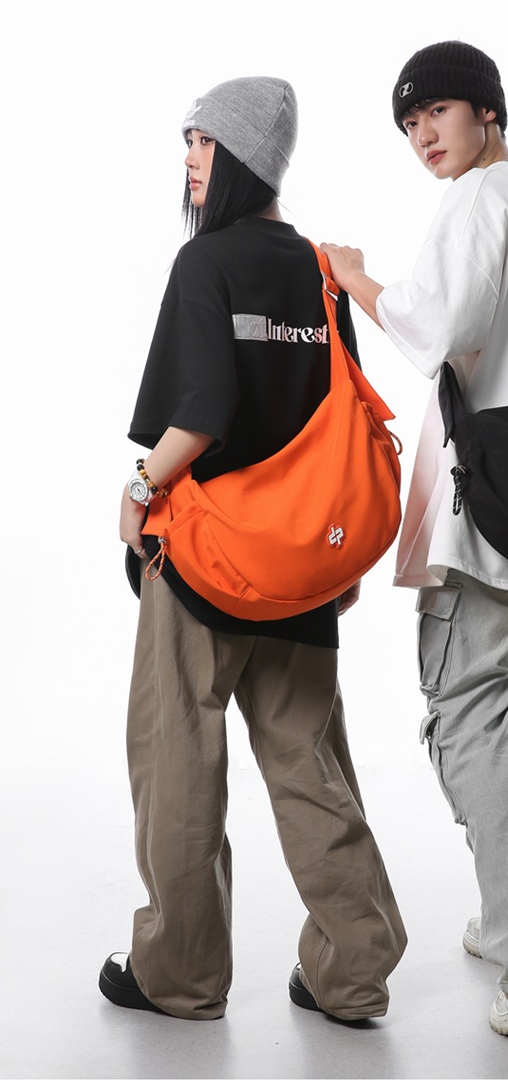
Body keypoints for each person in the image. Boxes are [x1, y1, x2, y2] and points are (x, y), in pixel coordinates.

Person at [99, 76, 407, 1022]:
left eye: (200, 142)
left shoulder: (207, 264)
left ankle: (181, 976)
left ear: (238, 155)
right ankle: (352, 971)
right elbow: (340, 421)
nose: (188, 161)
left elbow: (202, 414)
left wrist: (139, 487)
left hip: (204, 562)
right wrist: (339, 561)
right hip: (305, 568)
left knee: (179, 762)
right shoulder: (319, 270)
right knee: (310, 763)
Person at [321, 40, 508, 1037]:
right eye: (409, 123)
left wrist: (355, 278)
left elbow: (435, 327)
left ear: (487, 111)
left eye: (436, 111)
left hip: (486, 510)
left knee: (467, 710)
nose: (422, 135)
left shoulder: (481, 200)